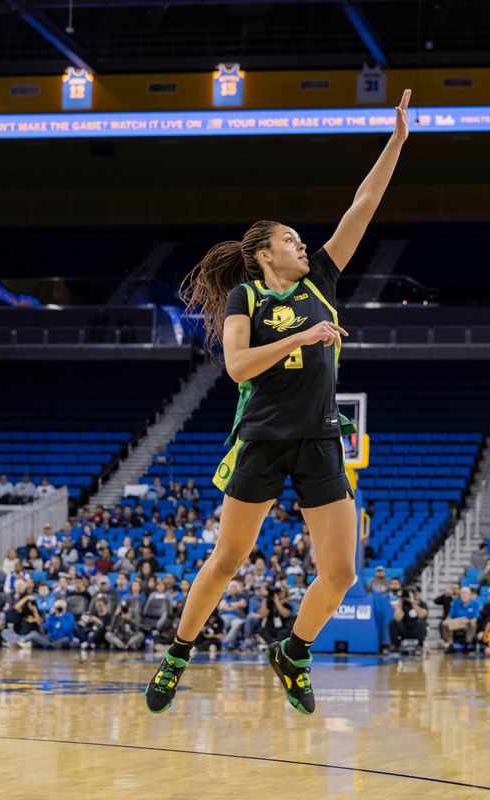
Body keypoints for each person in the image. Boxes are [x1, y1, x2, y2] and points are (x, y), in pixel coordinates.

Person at [144, 90, 412, 717]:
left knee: (342, 572)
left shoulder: (322, 279)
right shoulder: (246, 298)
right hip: (262, 436)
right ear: (266, 254)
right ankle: (178, 654)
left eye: (301, 239)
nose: (302, 243)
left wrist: (397, 140)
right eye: (291, 239)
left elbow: (363, 204)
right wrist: (302, 335)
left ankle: (293, 652)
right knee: (227, 559)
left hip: (320, 436)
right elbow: (238, 366)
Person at [445, 586, 481, 652]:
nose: (464, 595)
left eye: (466, 593)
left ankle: (467, 644)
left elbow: (475, 618)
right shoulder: (455, 603)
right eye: (463, 593)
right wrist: (447, 621)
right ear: (460, 594)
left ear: (470, 595)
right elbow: (450, 616)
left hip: (468, 623)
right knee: (445, 624)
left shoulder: (475, 604)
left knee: (472, 624)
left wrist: (468, 621)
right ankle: (450, 644)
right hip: (457, 623)